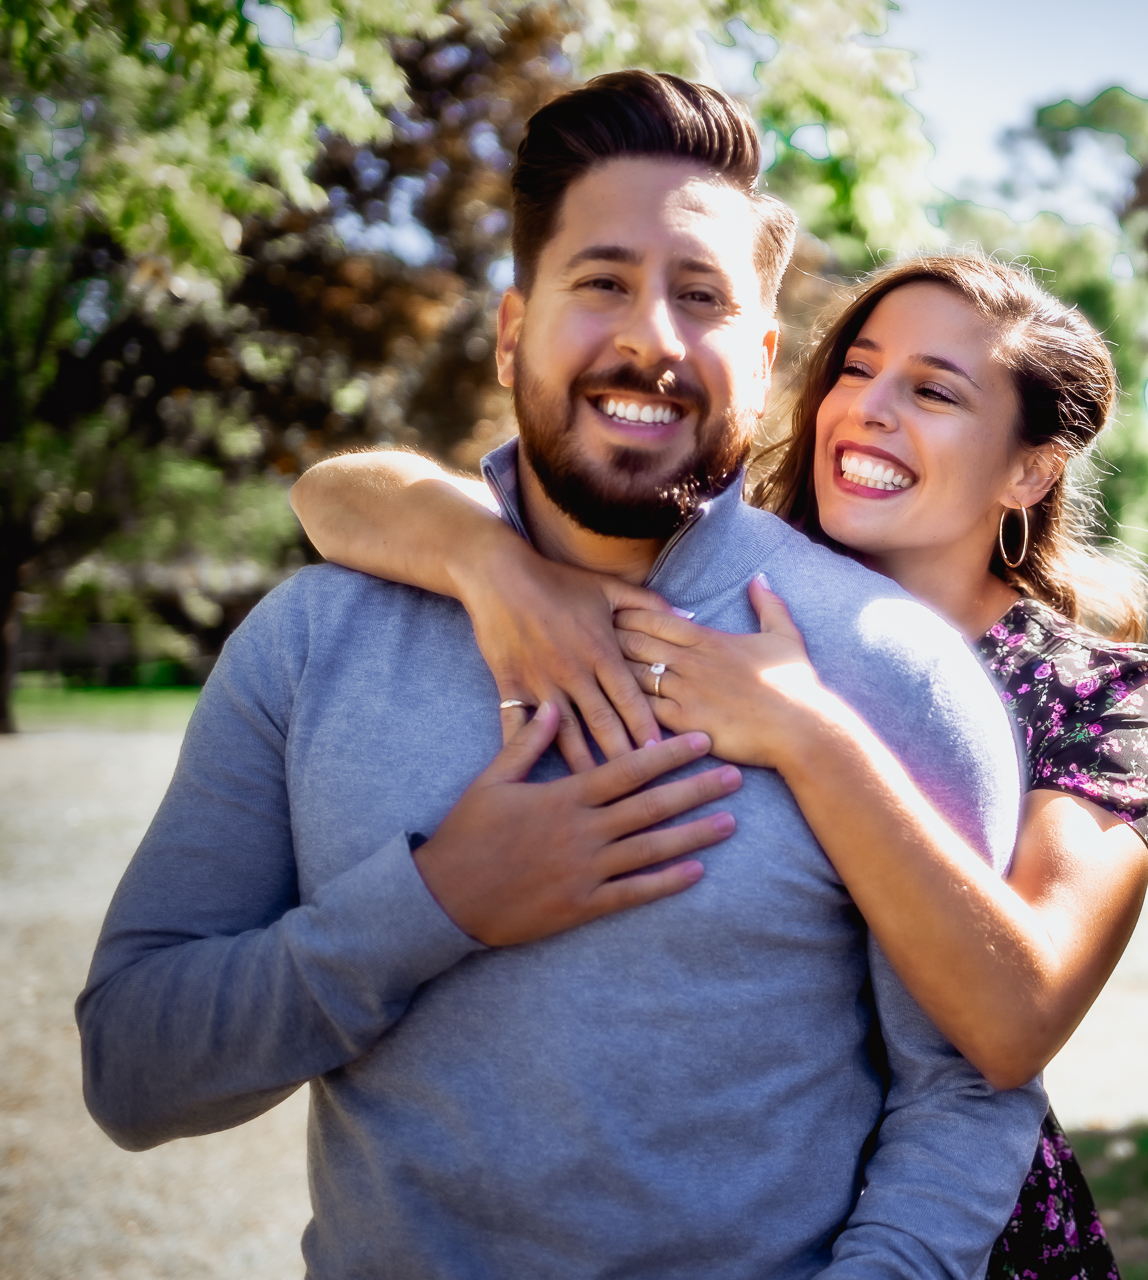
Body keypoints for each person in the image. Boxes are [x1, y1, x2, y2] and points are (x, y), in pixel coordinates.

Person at [77, 71, 1051, 1279]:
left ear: (763, 360)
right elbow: (132, 1070)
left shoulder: (889, 665)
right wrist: (436, 902)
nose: (653, 338)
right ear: (509, 333)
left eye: (702, 297)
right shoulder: (313, 640)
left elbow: (968, 1087)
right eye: (602, 282)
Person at [291, 248, 1148, 1277]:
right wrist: (486, 558)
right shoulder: (703, 578)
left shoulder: (1092, 691)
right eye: (857, 369)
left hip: (964, 1237)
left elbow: (1014, 1020)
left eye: (934, 391)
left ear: (1029, 470)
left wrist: (807, 731)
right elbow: (328, 495)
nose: (869, 409)